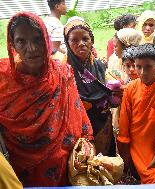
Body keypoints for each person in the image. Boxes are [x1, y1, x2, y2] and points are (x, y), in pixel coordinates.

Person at [0, 12, 93, 186]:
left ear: (46, 39)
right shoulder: (3, 79)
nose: (32, 48)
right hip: (18, 171)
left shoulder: (62, 73)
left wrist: (86, 144)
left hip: (62, 168)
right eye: (21, 41)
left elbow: (77, 112)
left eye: (37, 39)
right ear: (12, 44)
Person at [117, 44, 155, 184]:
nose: (142, 72)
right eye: (138, 66)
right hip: (132, 145)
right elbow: (124, 123)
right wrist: (124, 156)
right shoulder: (130, 88)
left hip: (154, 149)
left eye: (148, 67)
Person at [63, 18, 116, 155]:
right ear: (67, 43)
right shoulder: (63, 70)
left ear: (91, 41)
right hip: (78, 128)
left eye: (85, 39)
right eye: (74, 40)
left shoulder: (99, 65)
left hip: (103, 124)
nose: (81, 44)